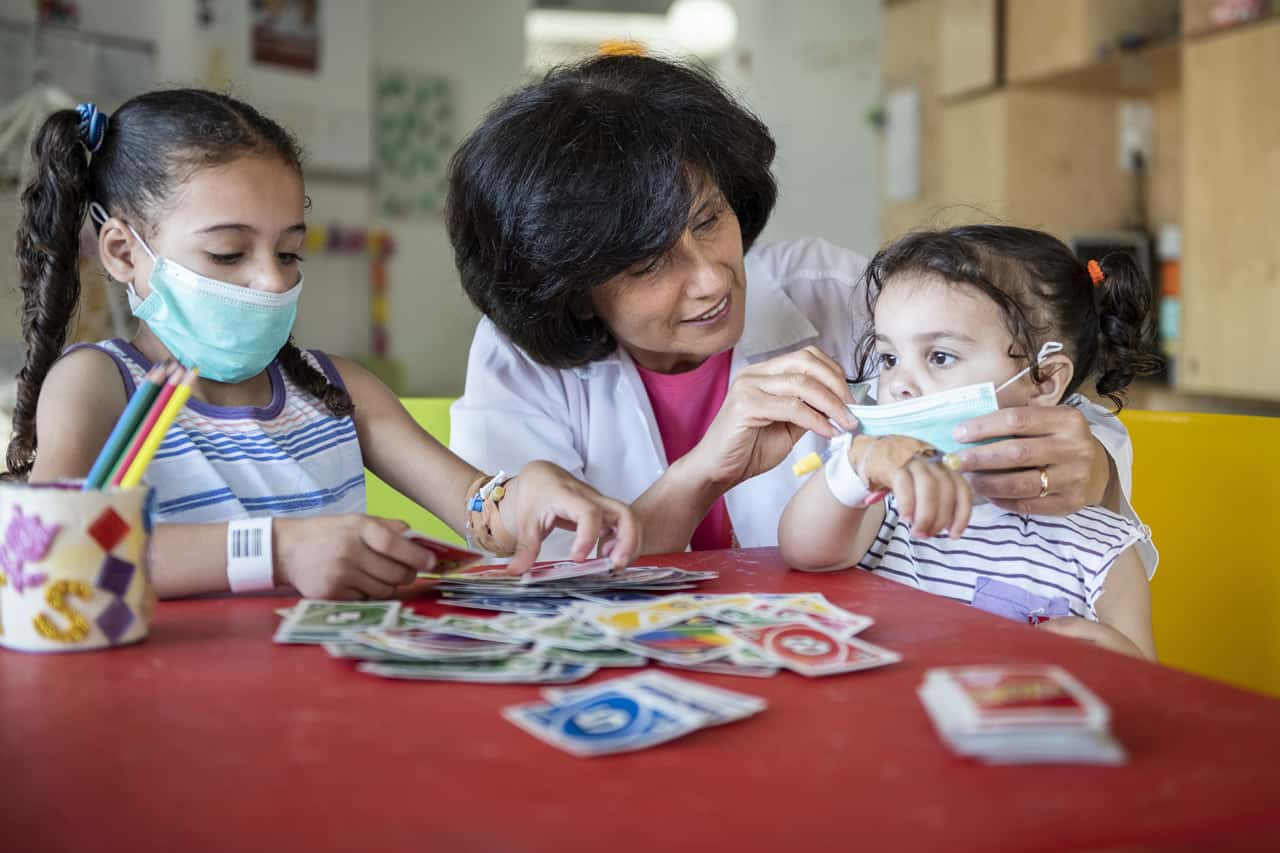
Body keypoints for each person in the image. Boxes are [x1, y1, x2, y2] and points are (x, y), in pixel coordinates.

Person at [447, 54, 1153, 567]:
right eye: (648, 264)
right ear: (571, 288)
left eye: (709, 218)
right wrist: (705, 473)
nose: (711, 277)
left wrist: (1095, 474)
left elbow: (1044, 394)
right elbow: (543, 576)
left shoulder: (841, 295)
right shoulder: (517, 359)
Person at [7, 92, 639, 600]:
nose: (272, 280)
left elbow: (479, 511)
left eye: (289, 251)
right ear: (122, 252)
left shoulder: (340, 389)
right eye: (228, 253)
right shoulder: (99, 384)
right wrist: (277, 551)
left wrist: (522, 493)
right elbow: (54, 547)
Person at [779, 225, 1159, 659]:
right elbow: (803, 550)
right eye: (889, 358)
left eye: (940, 356)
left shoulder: (1101, 546)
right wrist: (860, 463)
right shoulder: (884, 502)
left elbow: (1147, 682)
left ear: (1044, 381)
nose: (899, 383)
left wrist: (1111, 654)